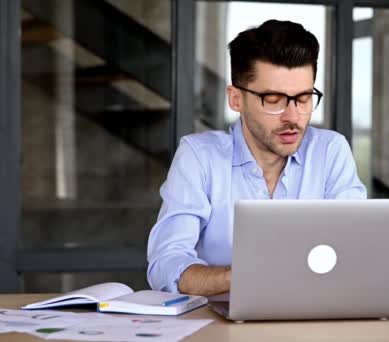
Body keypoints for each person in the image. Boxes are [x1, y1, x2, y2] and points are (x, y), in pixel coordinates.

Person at [147, 19, 366, 296]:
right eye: (273, 100)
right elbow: (166, 265)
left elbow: (356, 251)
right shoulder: (198, 157)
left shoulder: (331, 151)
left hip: (314, 318)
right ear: (236, 99)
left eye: (303, 98)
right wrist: (245, 276)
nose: (293, 117)